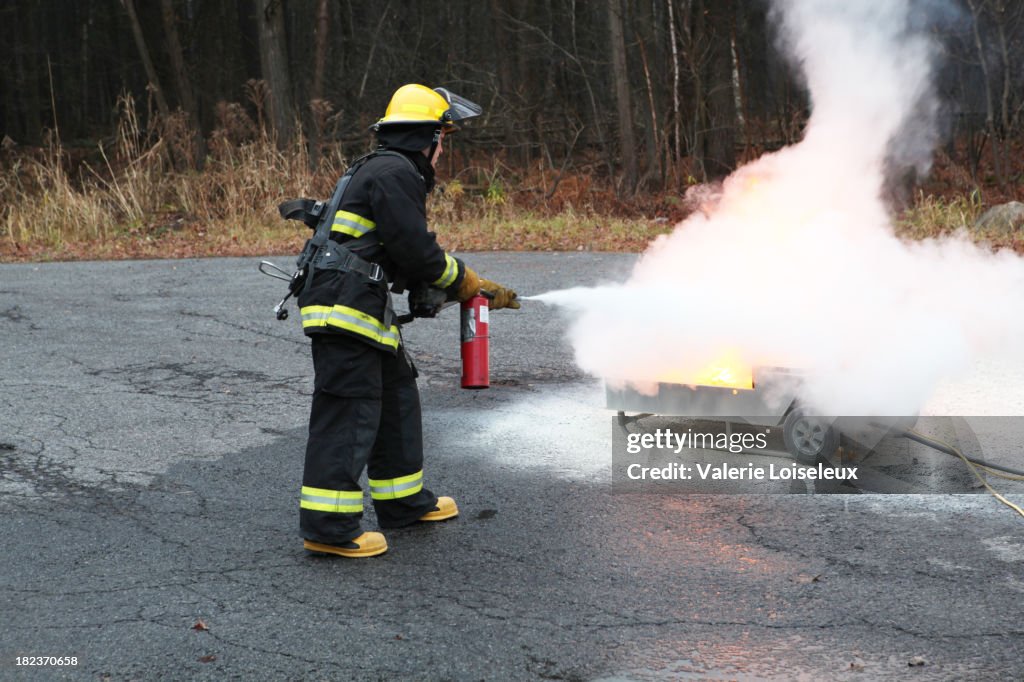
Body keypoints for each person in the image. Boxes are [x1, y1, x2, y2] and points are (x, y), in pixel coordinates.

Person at [296, 84, 519, 558]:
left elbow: (393, 249)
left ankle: (401, 502)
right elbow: (414, 250)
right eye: (443, 139)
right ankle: (328, 527)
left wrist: (449, 282)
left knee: (396, 398)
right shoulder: (397, 172)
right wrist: (462, 280)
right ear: (430, 138)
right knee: (349, 410)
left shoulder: (383, 168)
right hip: (345, 306)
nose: (443, 151)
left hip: (360, 302)